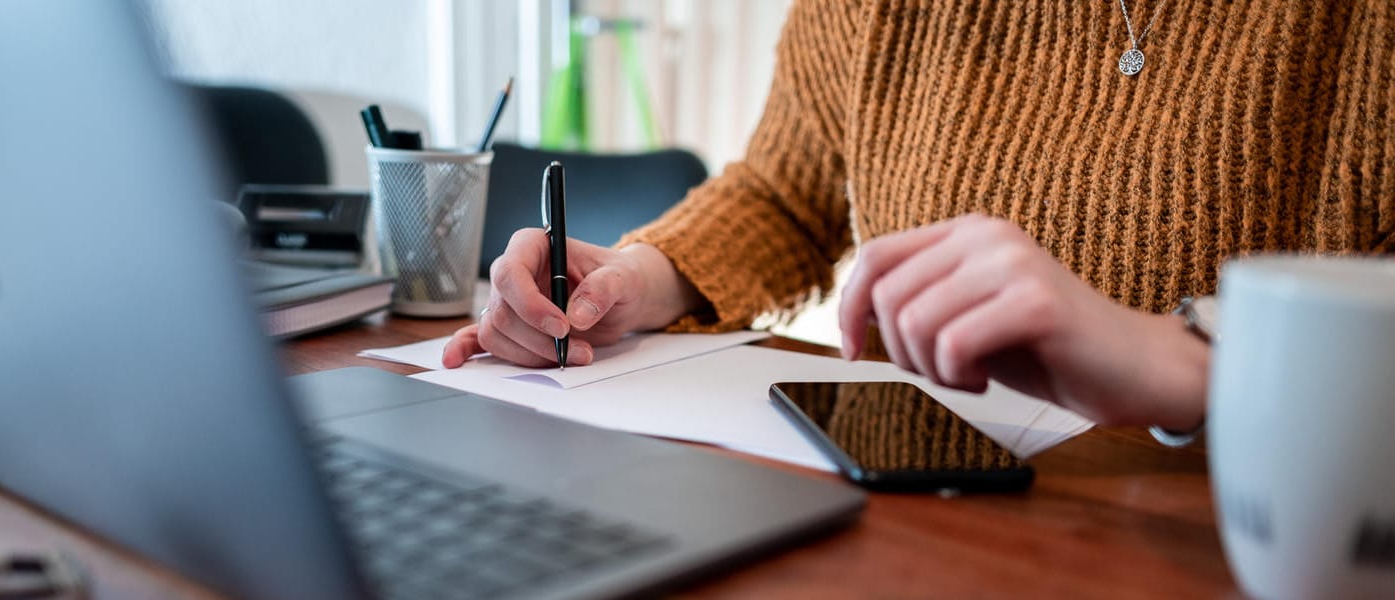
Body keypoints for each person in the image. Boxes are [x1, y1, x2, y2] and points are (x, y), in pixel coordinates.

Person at [444, 0, 1393, 435]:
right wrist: (634, 279)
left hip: (1249, 562)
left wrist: (1185, 362)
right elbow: (782, 191)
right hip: (931, 517)